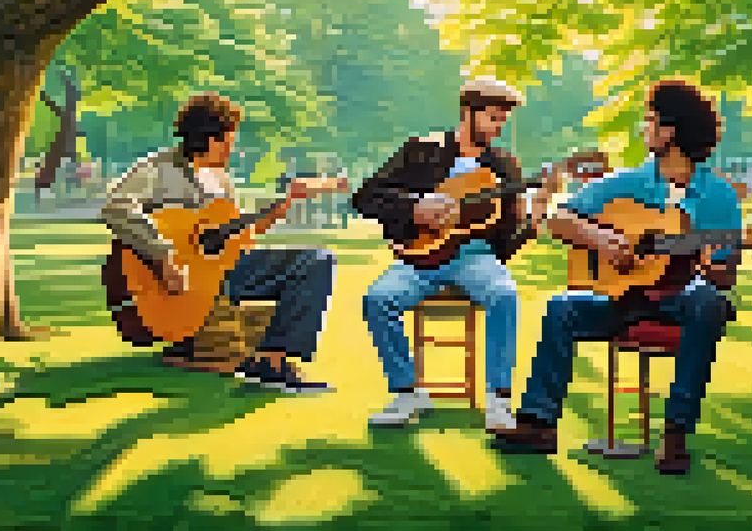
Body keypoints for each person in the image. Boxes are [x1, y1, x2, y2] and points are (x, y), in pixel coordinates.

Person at [489, 80, 740, 475]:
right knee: (561, 308)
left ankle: (675, 434)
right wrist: (601, 238)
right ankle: (537, 424)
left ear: (670, 131)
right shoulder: (628, 182)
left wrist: (714, 266)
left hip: (683, 299)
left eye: (650, 121)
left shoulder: (719, 195)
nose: (644, 128)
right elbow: (558, 218)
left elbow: (725, 277)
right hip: (624, 297)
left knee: (709, 301)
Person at [100, 92, 337, 393]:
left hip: (224, 273)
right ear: (210, 139)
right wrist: (163, 257)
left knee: (317, 260)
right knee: (312, 262)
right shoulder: (157, 169)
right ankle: (261, 361)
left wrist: (280, 209)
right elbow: (116, 208)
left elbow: (235, 238)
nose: (232, 149)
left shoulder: (221, 179)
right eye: (229, 140)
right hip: (177, 279)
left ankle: (272, 358)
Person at [354, 79, 548, 431]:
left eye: (502, 120)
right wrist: (416, 208)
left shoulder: (505, 166)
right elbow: (366, 197)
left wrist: (535, 214)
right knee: (377, 298)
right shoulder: (421, 150)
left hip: (476, 257)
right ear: (468, 113)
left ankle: (498, 399)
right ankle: (406, 392)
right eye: (492, 118)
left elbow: (506, 243)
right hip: (420, 256)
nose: (497, 127)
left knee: (504, 294)